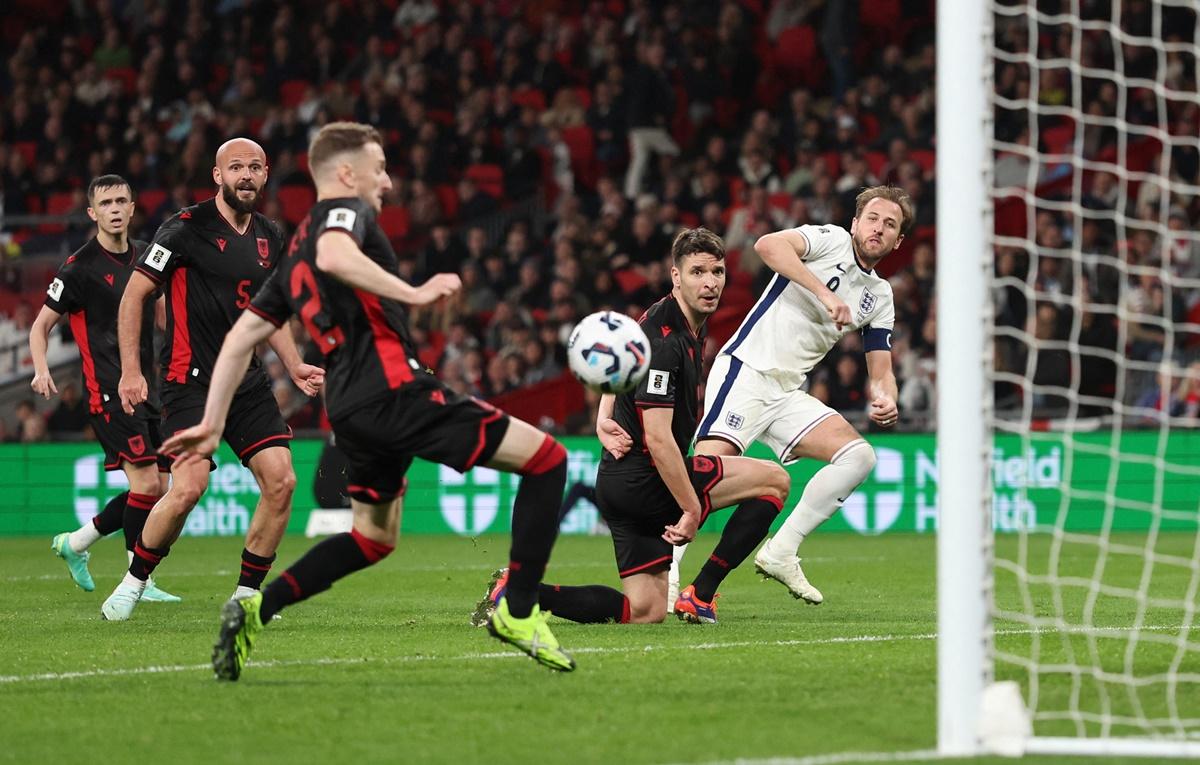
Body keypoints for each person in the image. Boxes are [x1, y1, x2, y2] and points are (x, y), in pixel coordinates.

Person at [161, 122, 576, 678]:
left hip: (350, 409)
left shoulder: (291, 248)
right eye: (379, 168)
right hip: (395, 390)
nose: (386, 181)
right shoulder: (341, 213)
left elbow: (241, 338)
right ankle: (519, 611)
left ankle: (258, 607)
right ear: (347, 172)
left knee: (373, 537)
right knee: (549, 460)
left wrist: (212, 424)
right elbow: (335, 255)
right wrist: (415, 292)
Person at [471, 229, 790, 626]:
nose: (710, 283)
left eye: (718, 272)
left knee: (644, 611)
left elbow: (623, 365)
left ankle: (519, 591)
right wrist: (691, 508)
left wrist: (603, 417)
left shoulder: (665, 318)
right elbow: (658, 438)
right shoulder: (666, 341)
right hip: (646, 478)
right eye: (697, 272)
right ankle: (701, 594)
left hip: (618, 482)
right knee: (775, 480)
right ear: (676, 276)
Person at [100, 140, 325, 621]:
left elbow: (275, 310)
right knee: (187, 489)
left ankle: (246, 595)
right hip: (189, 382)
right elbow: (133, 296)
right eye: (235, 167)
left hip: (246, 381)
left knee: (282, 481)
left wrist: (293, 363)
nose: (246, 175)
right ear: (217, 175)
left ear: (266, 175)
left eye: (255, 167)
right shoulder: (183, 229)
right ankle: (134, 581)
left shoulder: (270, 235)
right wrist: (132, 370)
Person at [677, 185, 909, 605]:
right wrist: (825, 294)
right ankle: (667, 572)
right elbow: (769, 245)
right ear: (855, 223)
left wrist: (886, 396)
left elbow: (882, 370)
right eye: (872, 218)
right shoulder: (831, 240)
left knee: (859, 456)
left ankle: (781, 551)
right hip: (747, 370)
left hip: (787, 390)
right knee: (706, 474)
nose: (878, 228)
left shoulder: (881, 296)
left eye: (889, 225)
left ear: (898, 241)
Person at [29, 174, 178, 602]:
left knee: (155, 489)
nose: (114, 209)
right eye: (106, 203)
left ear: (133, 208)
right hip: (107, 394)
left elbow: (166, 315)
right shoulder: (78, 267)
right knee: (148, 487)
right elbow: (40, 327)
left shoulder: (149, 258)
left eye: (121, 201)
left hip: (148, 392)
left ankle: (76, 543)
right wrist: (40, 369)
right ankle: (138, 579)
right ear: (93, 213)